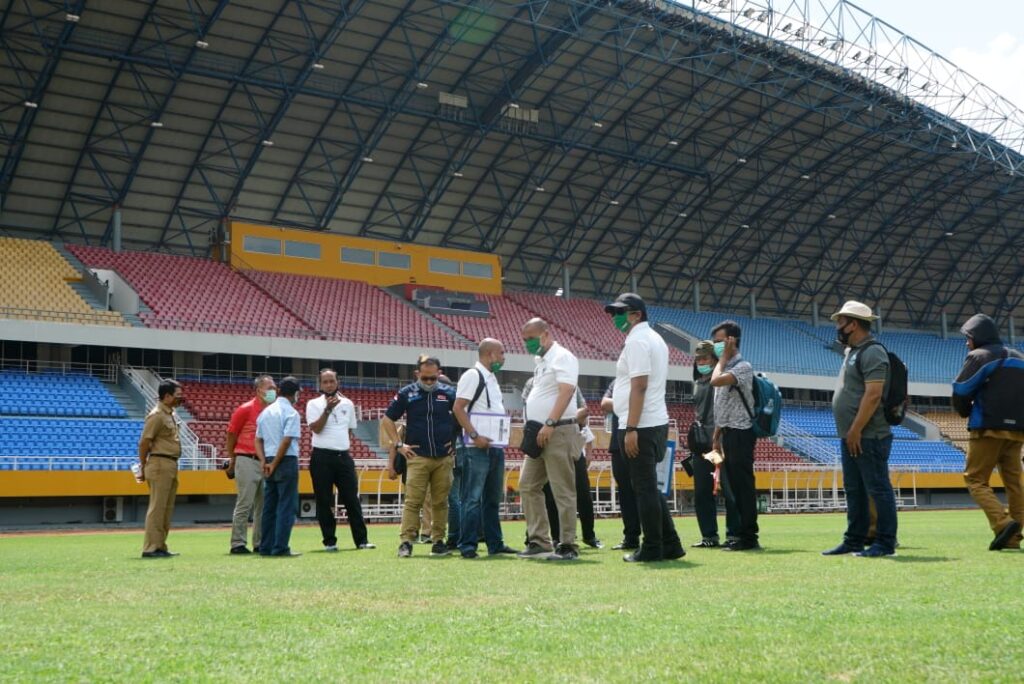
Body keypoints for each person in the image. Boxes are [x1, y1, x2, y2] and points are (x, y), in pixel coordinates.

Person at [605, 293, 685, 563]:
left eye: (620, 311)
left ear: (636, 314)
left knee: (644, 489)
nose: (615, 317)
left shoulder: (638, 341)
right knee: (649, 486)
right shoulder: (654, 339)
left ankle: (651, 547)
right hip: (654, 421)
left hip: (641, 423)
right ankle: (671, 543)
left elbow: (639, 385)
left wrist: (630, 428)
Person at [821, 301, 898, 558]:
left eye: (841, 322)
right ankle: (854, 539)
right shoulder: (852, 352)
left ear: (853, 324)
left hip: (868, 435)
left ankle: (885, 543)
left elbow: (873, 394)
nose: (837, 327)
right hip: (852, 435)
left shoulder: (872, 352)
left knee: (877, 488)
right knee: (854, 489)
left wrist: (855, 429)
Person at [952, 313, 1024, 551]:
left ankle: (1003, 524)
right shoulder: (1020, 358)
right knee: (1014, 483)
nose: (966, 342)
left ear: (977, 337)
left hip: (987, 428)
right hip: (1016, 432)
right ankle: (1014, 537)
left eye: (968, 337)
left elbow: (961, 390)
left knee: (975, 479)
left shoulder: (980, 356)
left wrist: (963, 412)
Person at [516, 318, 584, 561]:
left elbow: (567, 391)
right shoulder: (541, 361)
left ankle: (567, 544)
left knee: (562, 489)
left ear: (545, 335)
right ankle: (539, 541)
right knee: (527, 484)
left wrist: (550, 422)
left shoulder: (562, 357)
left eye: (531, 339)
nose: (528, 344)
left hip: (558, 430)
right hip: (539, 433)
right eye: (525, 340)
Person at [382, 356, 457, 558]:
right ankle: (406, 541)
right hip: (417, 457)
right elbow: (388, 419)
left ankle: (438, 541)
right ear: (417, 374)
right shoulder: (407, 393)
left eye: (433, 378)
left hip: (443, 457)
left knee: (441, 502)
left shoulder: (449, 393)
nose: (430, 382)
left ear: (439, 374)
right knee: (413, 501)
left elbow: (462, 417)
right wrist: (399, 445)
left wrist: (455, 443)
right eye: (426, 378)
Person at [452, 339, 518, 559]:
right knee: (472, 497)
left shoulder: (491, 379)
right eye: (501, 353)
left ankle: (494, 543)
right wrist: (474, 435)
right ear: (490, 354)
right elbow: (458, 408)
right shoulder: (473, 376)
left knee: (492, 498)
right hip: (475, 447)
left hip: (494, 446)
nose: (503, 357)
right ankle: (468, 544)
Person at [306, 368, 375, 552]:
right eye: (325, 382)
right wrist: (328, 410)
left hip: (342, 456)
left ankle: (361, 540)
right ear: (320, 384)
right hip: (321, 456)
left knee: (352, 499)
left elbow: (350, 429)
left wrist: (341, 446)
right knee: (323, 500)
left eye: (332, 381)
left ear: (338, 382)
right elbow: (316, 429)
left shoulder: (348, 404)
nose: (329, 385)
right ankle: (330, 541)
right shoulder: (313, 404)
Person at [709, 319, 761, 551]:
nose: (716, 346)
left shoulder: (742, 367)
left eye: (720, 341)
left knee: (743, 487)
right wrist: (717, 435)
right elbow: (723, 403)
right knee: (732, 488)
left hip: (741, 432)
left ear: (732, 341)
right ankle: (738, 534)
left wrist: (721, 359)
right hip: (728, 432)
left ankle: (749, 536)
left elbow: (715, 381)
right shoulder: (726, 367)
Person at [529, 384, 601, 549]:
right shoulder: (535, 385)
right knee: (550, 494)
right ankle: (555, 538)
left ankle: (583, 537)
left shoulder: (571, 386)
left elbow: (584, 412)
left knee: (581, 494)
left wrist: (566, 418)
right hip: (545, 441)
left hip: (571, 443)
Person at [689, 341, 740, 548]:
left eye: (705, 358)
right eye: (698, 359)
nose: (701, 362)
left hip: (719, 445)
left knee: (728, 491)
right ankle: (709, 536)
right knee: (702, 492)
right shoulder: (697, 383)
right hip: (702, 446)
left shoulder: (720, 380)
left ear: (714, 359)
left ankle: (734, 534)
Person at [225, 374, 274, 555]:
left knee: (263, 505)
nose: (273, 391)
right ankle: (237, 543)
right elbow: (231, 434)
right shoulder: (245, 409)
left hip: (264, 460)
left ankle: (259, 542)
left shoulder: (270, 411)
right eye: (269, 388)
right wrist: (233, 458)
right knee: (245, 503)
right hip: (246, 458)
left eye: (274, 388)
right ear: (258, 390)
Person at [255, 376, 303, 557]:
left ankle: (265, 546)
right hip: (285, 460)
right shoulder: (291, 413)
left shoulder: (266, 412)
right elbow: (286, 440)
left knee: (269, 507)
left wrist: (264, 462)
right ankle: (281, 546)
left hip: (267, 458)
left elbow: (257, 439)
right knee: (286, 506)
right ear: (296, 393)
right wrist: (275, 463)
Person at [138, 379, 184, 558]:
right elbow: (144, 442)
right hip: (159, 463)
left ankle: (160, 545)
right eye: (177, 396)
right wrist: (143, 465)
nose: (181, 399)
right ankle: (150, 548)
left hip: (170, 464)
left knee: (166, 508)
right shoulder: (156, 415)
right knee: (157, 507)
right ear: (167, 396)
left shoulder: (169, 414)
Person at [602, 382, 640, 550]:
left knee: (644, 491)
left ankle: (655, 536)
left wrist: (620, 403)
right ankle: (630, 537)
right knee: (625, 492)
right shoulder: (617, 382)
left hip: (640, 441)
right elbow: (604, 403)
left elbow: (642, 400)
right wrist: (629, 402)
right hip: (618, 444)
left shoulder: (641, 379)